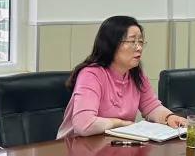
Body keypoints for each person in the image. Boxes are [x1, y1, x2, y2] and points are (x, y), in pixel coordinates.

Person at [57, 16, 187, 138]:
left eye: (140, 41)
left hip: (112, 144)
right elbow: (84, 124)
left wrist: (169, 117)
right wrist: (120, 123)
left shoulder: (136, 74)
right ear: (112, 44)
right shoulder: (91, 74)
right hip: (76, 147)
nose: (139, 48)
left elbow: (151, 107)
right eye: (132, 41)